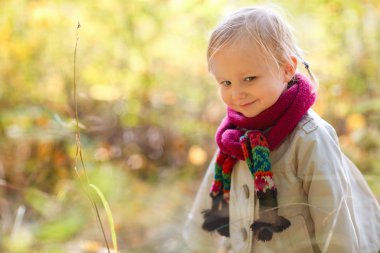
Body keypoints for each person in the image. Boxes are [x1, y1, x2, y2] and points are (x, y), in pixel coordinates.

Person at [183, 5, 380, 253]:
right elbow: (204, 223)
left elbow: (335, 224)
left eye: (250, 78)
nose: (237, 93)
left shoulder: (309, 138)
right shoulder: (232, 139)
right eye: (226, 82)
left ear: (287, 69)